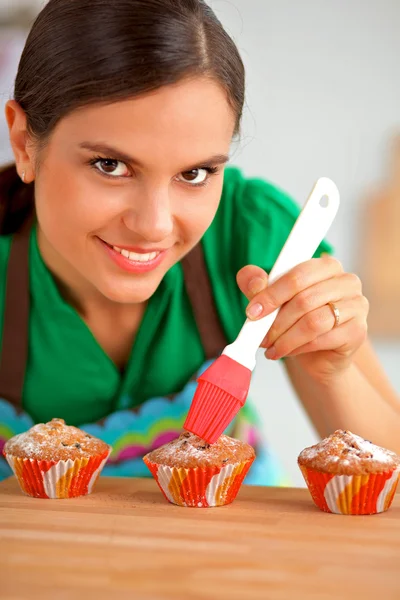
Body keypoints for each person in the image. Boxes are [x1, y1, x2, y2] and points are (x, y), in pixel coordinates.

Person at [0, 0, 399, 484]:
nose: (154, 225)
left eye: (194, 173)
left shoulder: (255, 234)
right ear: (24, 143)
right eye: (110, 165)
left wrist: (332, 371)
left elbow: (388, 487)